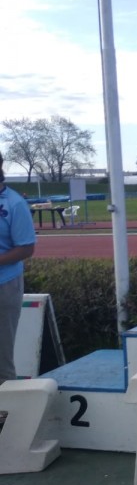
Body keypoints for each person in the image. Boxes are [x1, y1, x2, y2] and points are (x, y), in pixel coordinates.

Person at [0, 153, 37, 394]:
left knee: (1, 361)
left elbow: (26, 248)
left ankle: (6, 414)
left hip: (4, 285)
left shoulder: (14, 203)